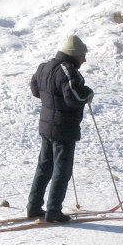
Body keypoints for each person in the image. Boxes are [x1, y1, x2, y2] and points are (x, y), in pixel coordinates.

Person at [26, 35, 94, 223]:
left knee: (44, 167)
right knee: (62, 170)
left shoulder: (44, 66)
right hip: (63, 127)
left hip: (46, 126)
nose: (84, 59)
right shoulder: (67, 69)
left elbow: (34, 89)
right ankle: (54, 211)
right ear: (74, 55)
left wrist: (51, 101)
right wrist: (88, 93)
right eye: (82, 55)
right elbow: (74, 97)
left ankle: (33, 207)